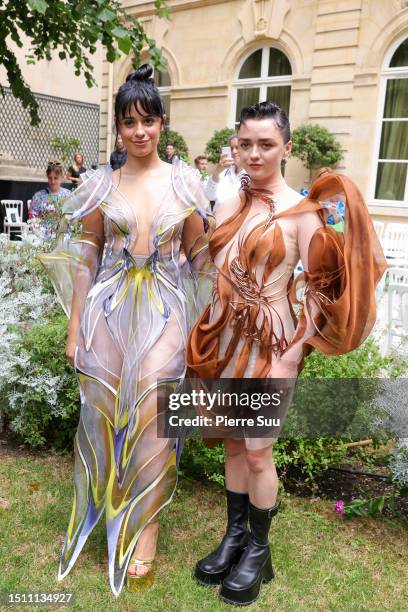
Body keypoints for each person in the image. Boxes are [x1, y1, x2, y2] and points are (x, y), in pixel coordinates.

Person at [186, 101, 387, 606]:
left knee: (258, 450)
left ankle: (258, 548)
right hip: (225, 339)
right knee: (232, 443)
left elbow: (320, 297)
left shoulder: (305, 214)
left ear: (287, 148)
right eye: (246, 143)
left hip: (271, 347)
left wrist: (291, 357)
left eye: (266, 144)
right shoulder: (232, 201)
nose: (254, 153)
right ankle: (234, 536)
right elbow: (212, 264)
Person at [39, 64, 212, 597]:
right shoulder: (101, 184)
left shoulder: (185, 183)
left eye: (149, 120)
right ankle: (105, 511)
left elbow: (200, 257)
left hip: (163, 310)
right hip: (108, 312)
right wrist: (74, 327)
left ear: (163, 123)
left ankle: (147, 529)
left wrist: (205, 328)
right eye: (129, 122)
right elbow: (87, 257)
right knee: (104, 414)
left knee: (153, 416)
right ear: (117, 128)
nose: (140, 131)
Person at [29, 161, 71, 240]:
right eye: (50, 178)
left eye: (56, 178)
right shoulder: (39, 196)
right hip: (43, 237)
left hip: (64, 237)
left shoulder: (68, 195)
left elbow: (74, 218)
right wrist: (41, 233)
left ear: (61, 178)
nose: (53, 182)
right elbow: (33, 217)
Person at [205, 134, 244, 210]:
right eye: (231, 148)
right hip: (217, 218)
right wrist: (217, 171)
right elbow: (210, 196)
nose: (234, 151)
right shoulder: (223, 173)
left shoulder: (253, 175)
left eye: (237, 147)